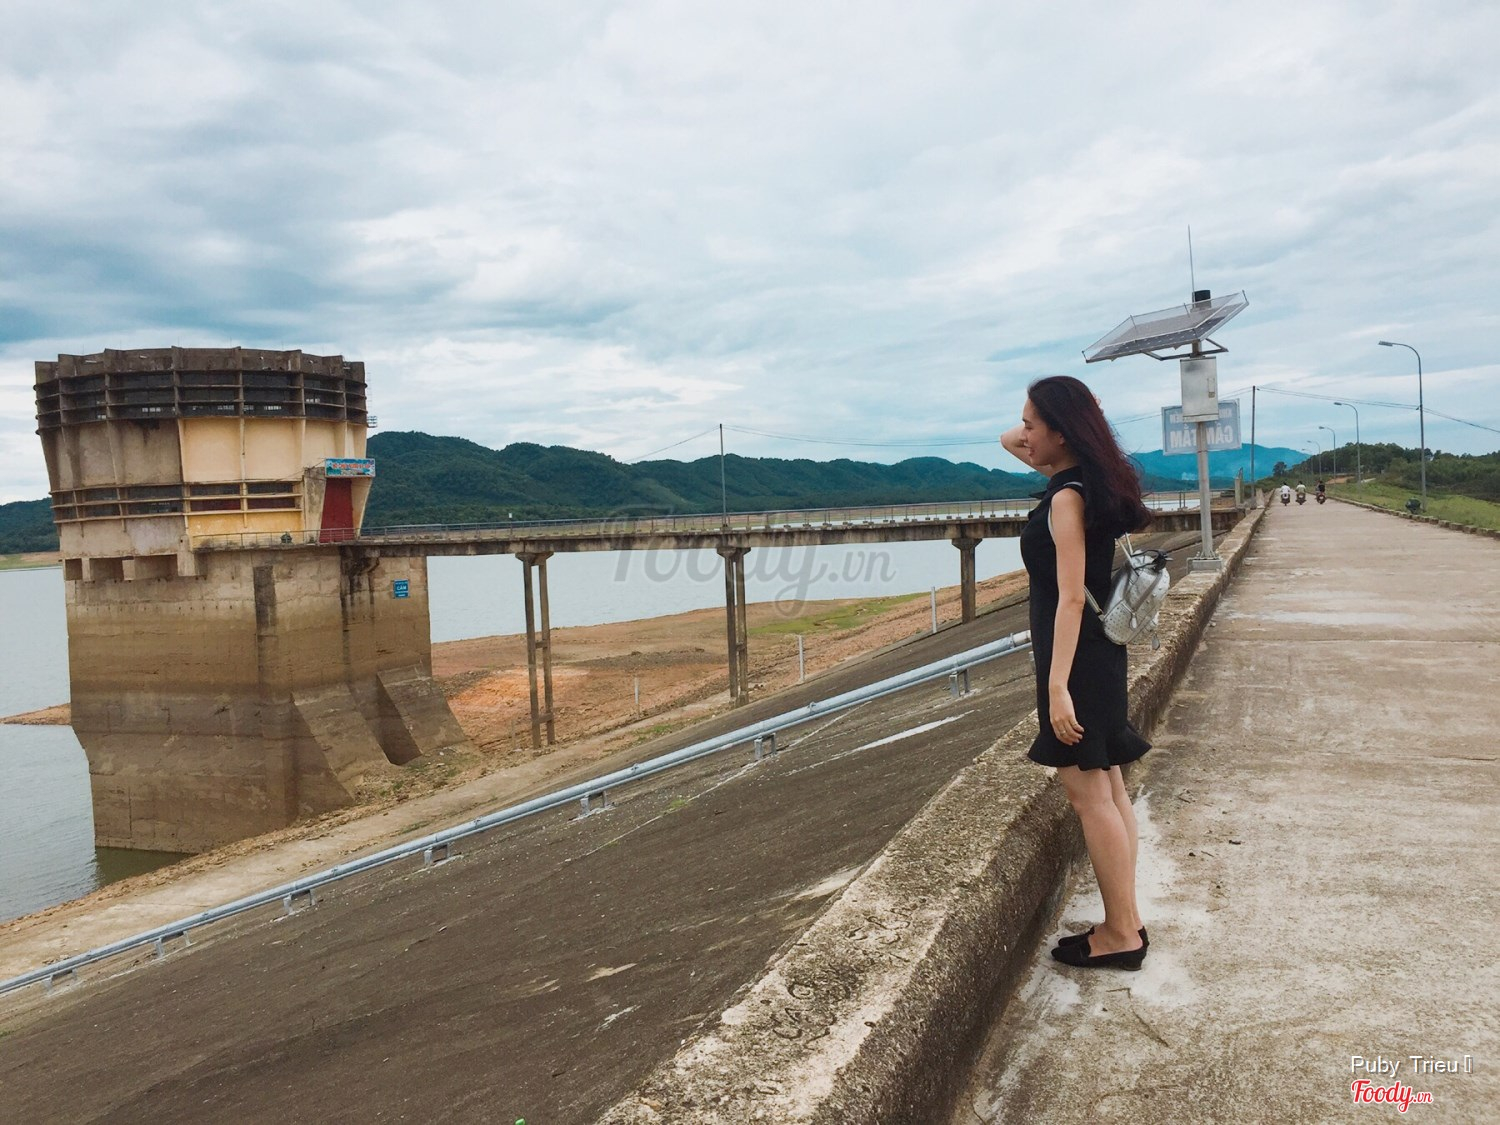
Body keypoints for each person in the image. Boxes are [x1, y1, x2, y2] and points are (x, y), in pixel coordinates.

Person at [1000, 376, 1153, 971]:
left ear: (1060, 433)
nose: (1022, 435)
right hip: (1098, 652)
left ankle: (1120, 934)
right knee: (1109, 788)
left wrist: (1057, 687)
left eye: (1032, 424)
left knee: (1090, 797)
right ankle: (1127, 919)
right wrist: (1068, 415)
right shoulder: (1089, 482)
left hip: (1076, 660)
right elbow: (1007, 438)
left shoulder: (1066, 499)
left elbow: (1068, 598)